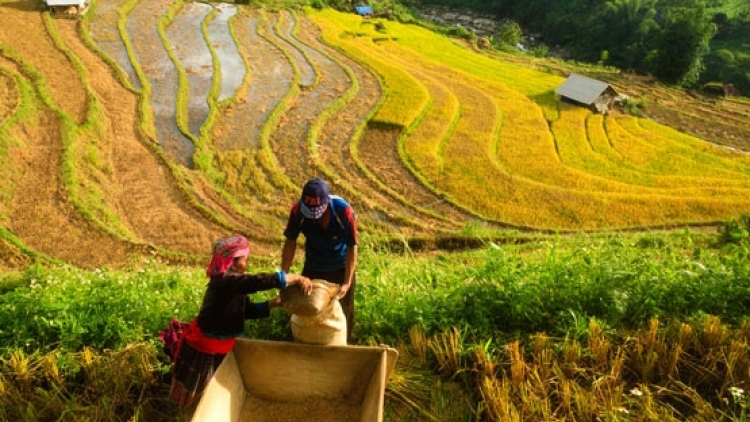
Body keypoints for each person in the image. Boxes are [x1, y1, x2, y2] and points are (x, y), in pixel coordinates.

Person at [168, 234, 312, 410]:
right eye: (245, 259)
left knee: (214, 394)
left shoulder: (233, 283)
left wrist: (274, 303)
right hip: (206, 348)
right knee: (201, 398)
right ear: (234, 261)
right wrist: (296, 278)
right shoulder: (224, 281)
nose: (247, 264)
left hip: (220, 345)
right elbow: (256, 282)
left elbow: (246, 311)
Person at [281, 178, 358, 342]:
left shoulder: (343, 211)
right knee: (305, 309)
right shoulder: (298, 211)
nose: (314, 217)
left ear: (326, 201)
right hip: (313, 267)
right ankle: (306, 345)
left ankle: (342, 348)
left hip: (340, 267)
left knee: (343, 312)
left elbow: (352, 247)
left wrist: (347, 281)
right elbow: (290, 242)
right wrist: (284, 274)